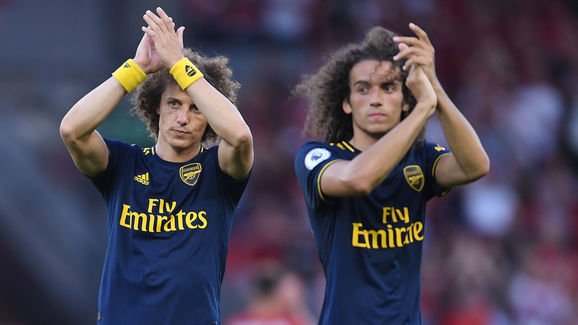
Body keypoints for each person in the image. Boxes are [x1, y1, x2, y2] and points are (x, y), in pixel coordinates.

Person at [60, 7, 253, 325]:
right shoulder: (123, 165)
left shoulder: (219, 172)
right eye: (174, 104)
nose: (182, 118)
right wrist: (136, 69)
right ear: (156, 108)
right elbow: (72, 129)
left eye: (195, 109)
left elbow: (241, 136)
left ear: (209, 116)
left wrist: (180, 65)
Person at [293, 23, 489, 324]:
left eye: (388, 88)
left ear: (404, 101)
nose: (376, 99)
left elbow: (476, 166)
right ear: (346, 103)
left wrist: (434, 88)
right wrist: (423, 109)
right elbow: (359, 179)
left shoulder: (421, 159)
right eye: (363, 89)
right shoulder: (318, 156)